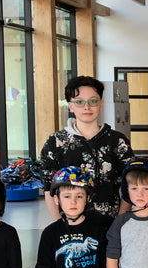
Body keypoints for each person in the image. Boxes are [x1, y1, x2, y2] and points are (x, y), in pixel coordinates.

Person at [39, 76, 133, 221]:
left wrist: (120, 223)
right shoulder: (55, 143)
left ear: (101, 104)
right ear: (70, 106)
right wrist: (59, 225)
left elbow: (129, 184)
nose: (87, 107)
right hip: (70, 227)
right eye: (79, 102)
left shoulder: (117, 141)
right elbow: (48, 189)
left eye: (93, 101)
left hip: (110, 226)